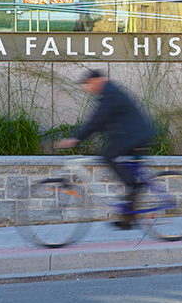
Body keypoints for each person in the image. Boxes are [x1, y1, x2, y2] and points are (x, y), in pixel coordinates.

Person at [57, 68, 156, 228]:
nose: (86, 88)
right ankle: (128, 218)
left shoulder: (110, 94)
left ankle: (133, 188)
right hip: (134, 135)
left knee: (107, 156)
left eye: (87, 84)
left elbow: (97, 120)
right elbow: (103, 122)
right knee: (128, 173)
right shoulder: (108, 93)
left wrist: (76, 139)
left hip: (135, 136)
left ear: (98, 80)